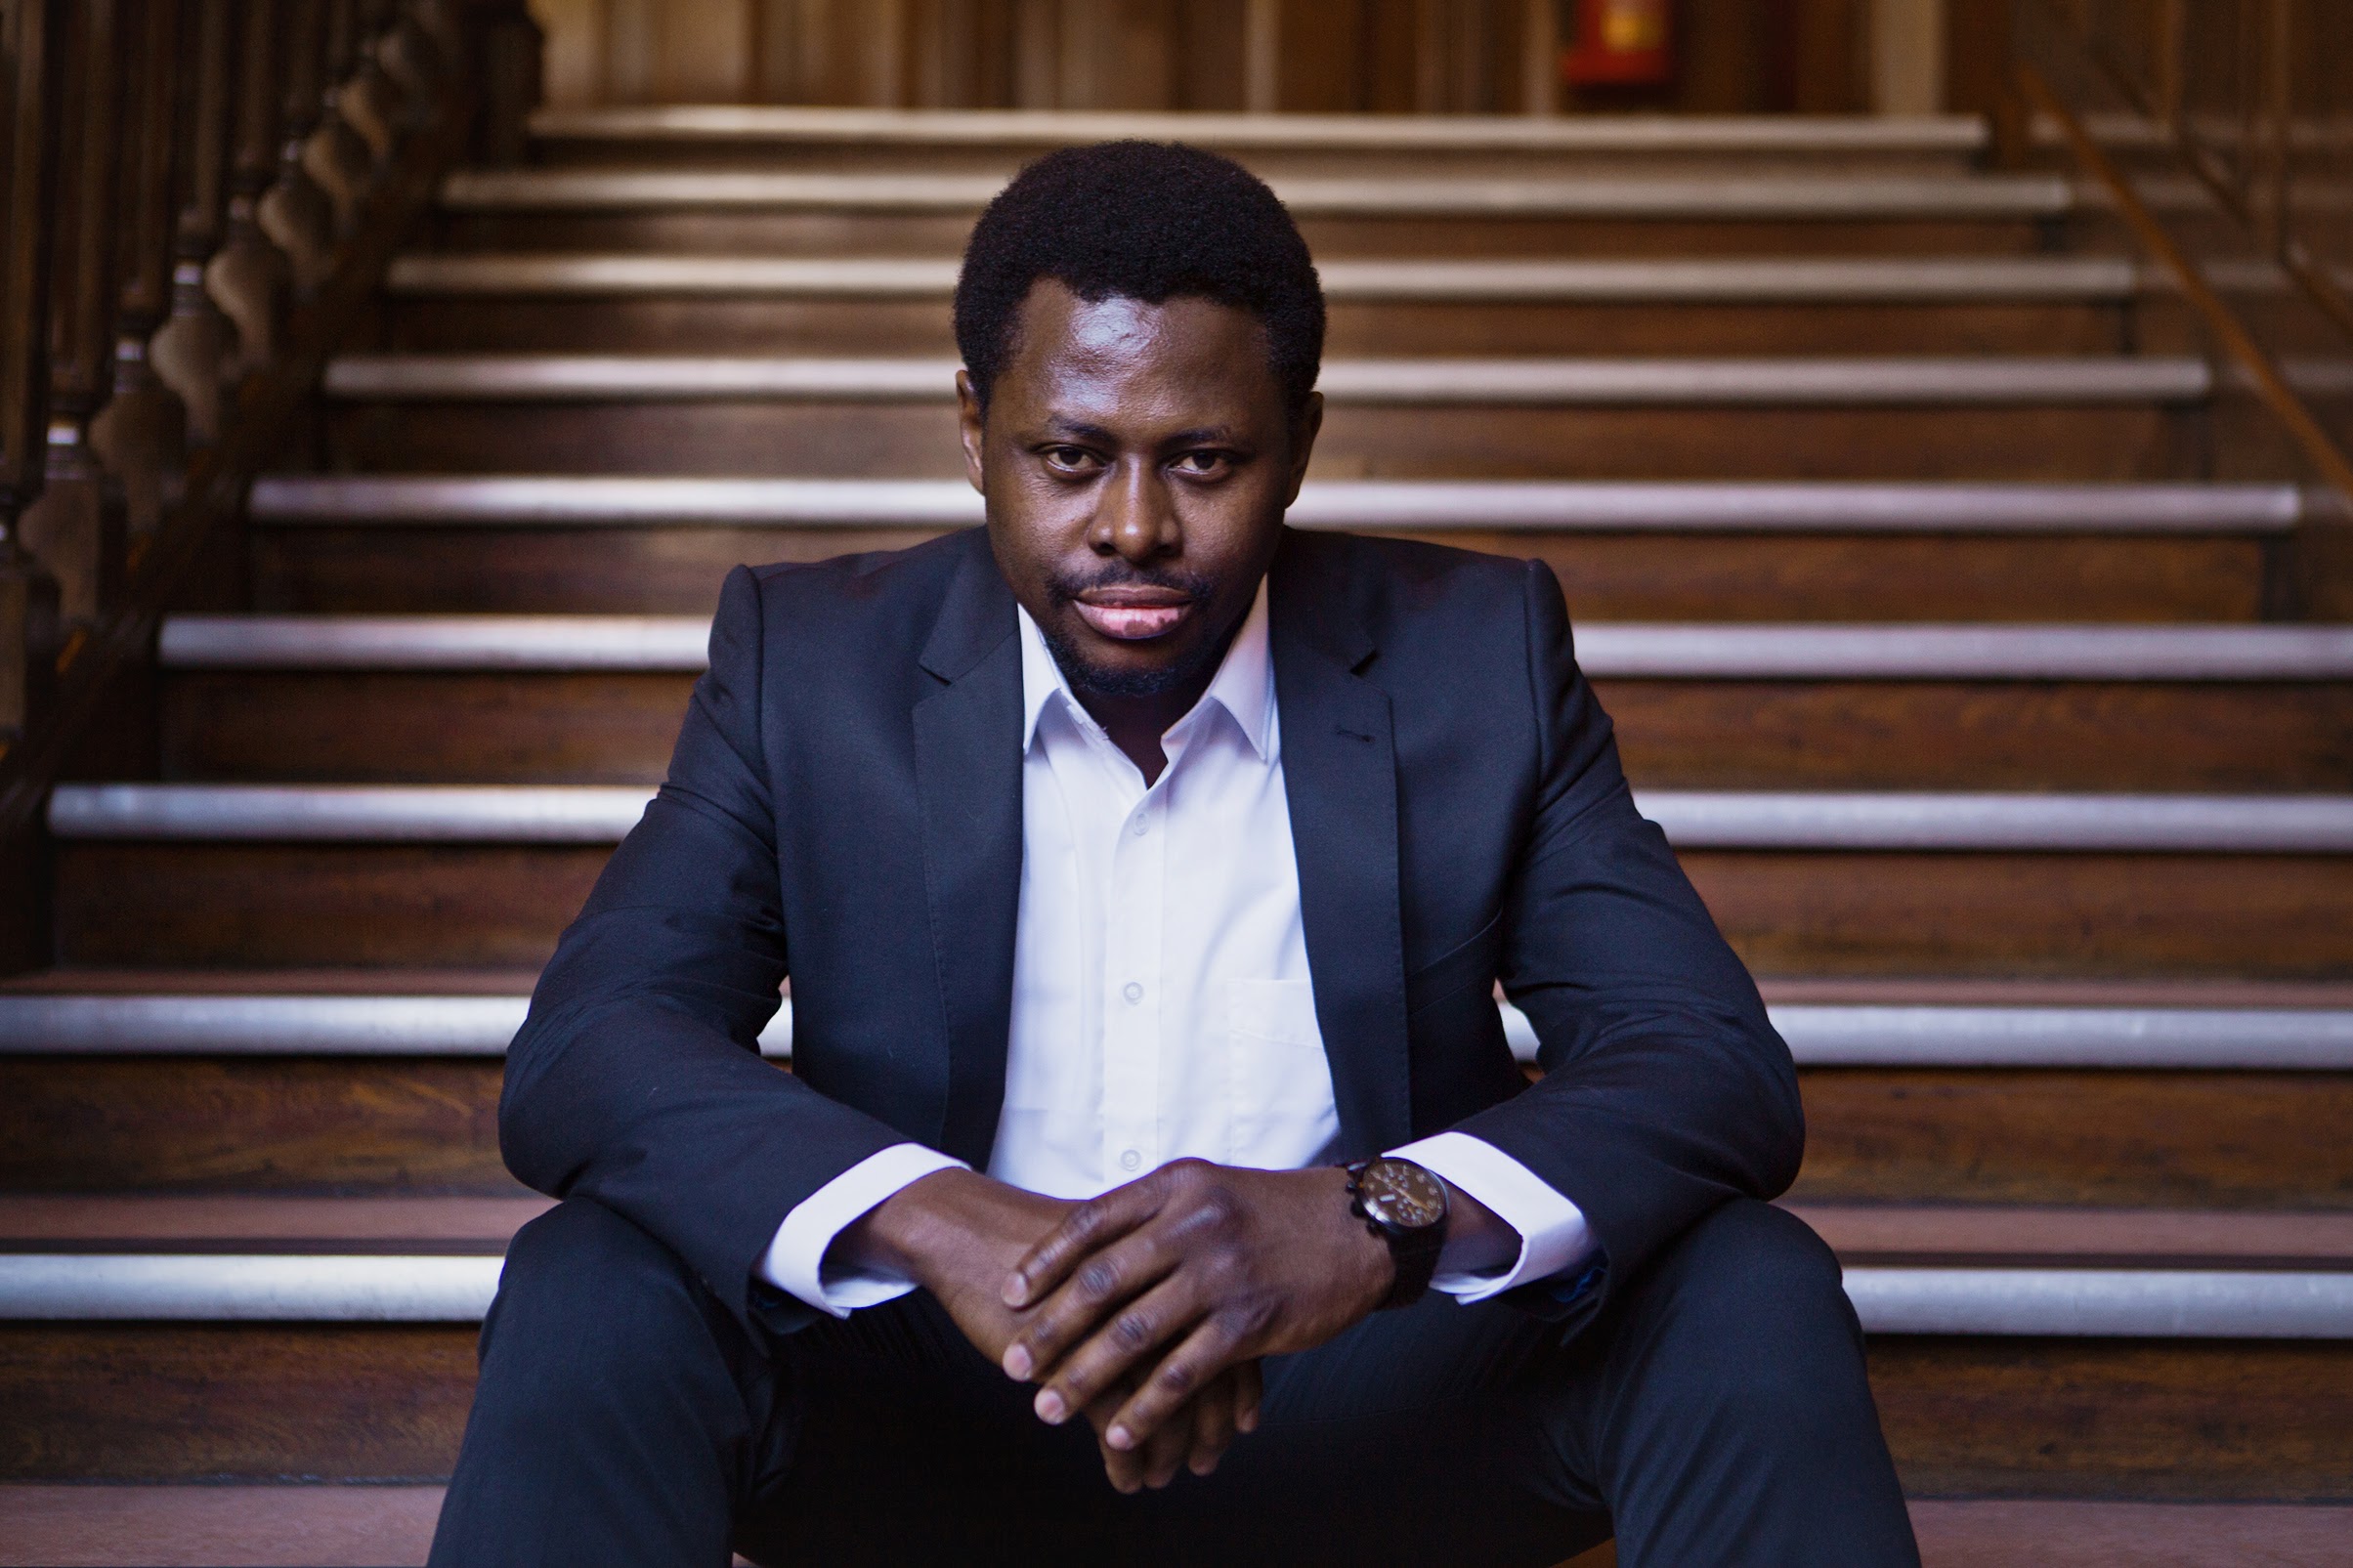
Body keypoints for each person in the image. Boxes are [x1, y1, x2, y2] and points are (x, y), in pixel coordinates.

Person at [428, 140, 1920, 1568]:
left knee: (1746, 1282)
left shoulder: (1478, 658)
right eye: (1070, 455)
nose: (1133, 525)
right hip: (932, 1418)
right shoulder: (807, 661)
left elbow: (1707, 1061)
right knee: (591, 1281)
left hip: (1371, 1410)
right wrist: (940, 1214)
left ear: (1301, 444)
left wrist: (1369, 1217)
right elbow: (593, 1046)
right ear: (971, 427)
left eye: (1203, 458)